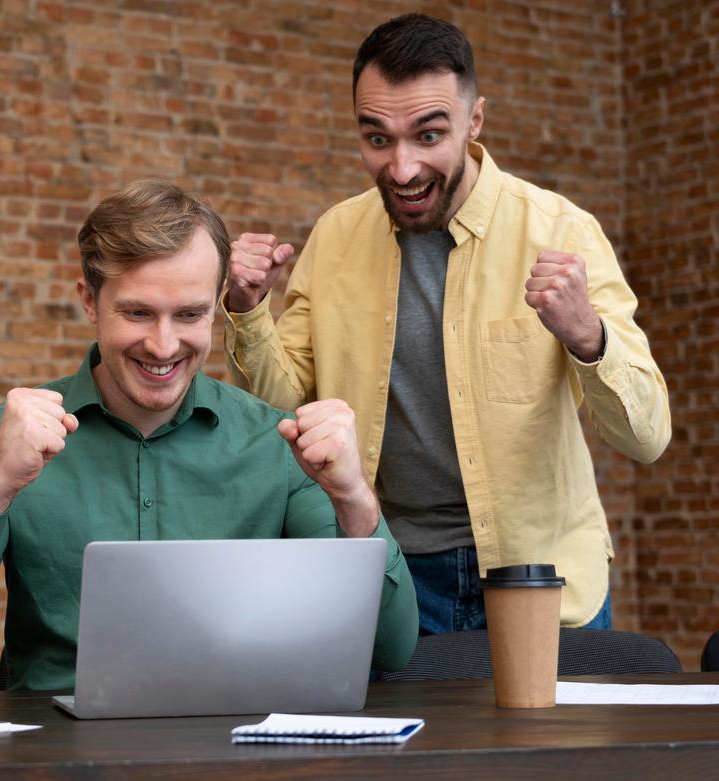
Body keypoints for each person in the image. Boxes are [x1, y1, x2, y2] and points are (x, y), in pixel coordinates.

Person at [222, 13, 670, 635]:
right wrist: (247, 311)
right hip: (391, 578)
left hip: (539, 583)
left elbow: (646, 437)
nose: (402, 169)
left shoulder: (561, 231)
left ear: (474, 121)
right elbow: (284, 410)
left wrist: (587, 335)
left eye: (428, 136)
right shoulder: (335, 237)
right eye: (377, 139)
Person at [0, 179, 417, 692]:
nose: (163, 345)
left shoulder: (277, 444)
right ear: (89, 302)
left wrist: (353, 498)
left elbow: (390, 650)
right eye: (138, 312)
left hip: (236, 745)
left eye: (189, 315)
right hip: (55, 754)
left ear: (216, 306)